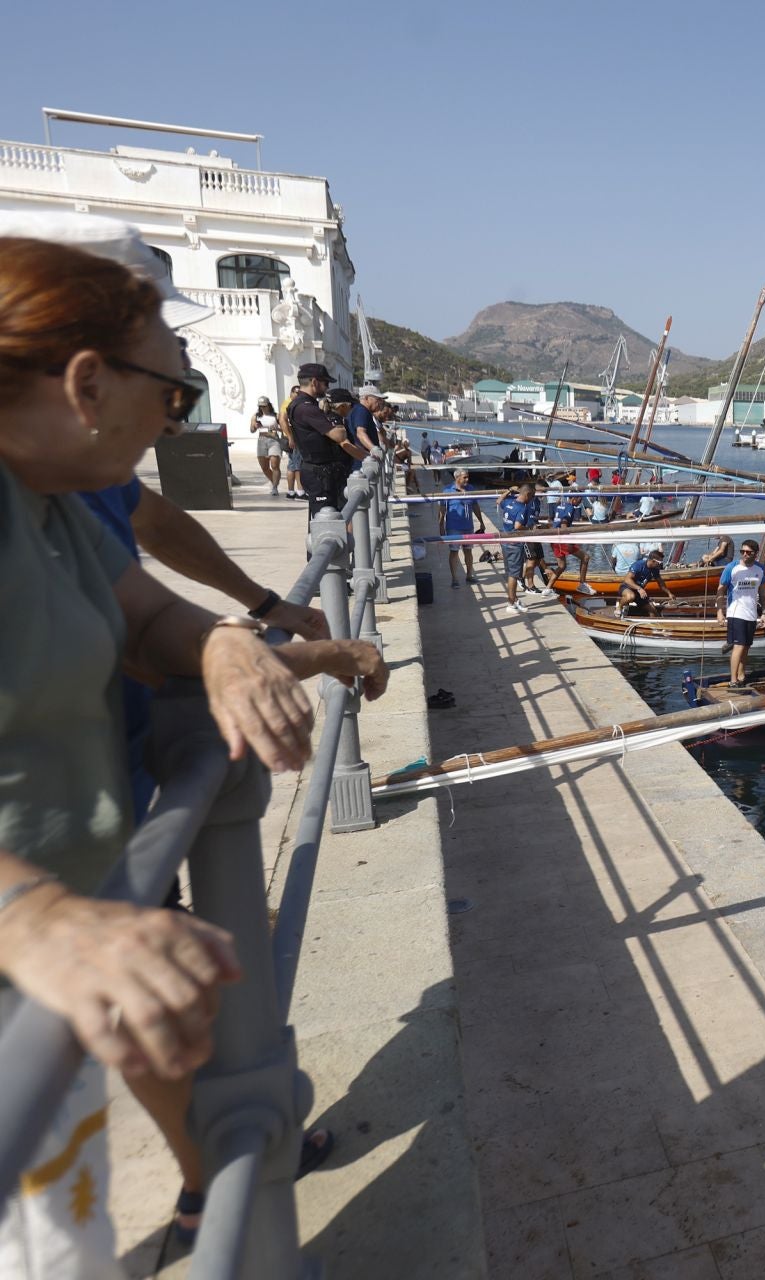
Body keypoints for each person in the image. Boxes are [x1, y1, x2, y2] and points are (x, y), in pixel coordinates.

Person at [0, 233, 386, 1272]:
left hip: (72, 941)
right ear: (88, 383)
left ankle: (214, 1184)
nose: (180, 418)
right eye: (175, 394)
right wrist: (27, 913)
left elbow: (144, 606)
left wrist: (224, 641)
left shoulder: (48, 499)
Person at [286, 364, 364, 516]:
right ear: (314, 382)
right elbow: (339, 436)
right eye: (325, 383)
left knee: (326, 516)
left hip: (319, 471)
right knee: (324, 517)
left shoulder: (306, 405)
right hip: (319, 473)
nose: (327, 387)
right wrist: (340, 427)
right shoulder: (306, 408)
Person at [716, 539, 765, 689]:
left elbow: (762, 592)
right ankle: (733, 680)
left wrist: (763, 613)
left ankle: (742, 675)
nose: (744, 554)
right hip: (736, 612)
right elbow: (721, 590)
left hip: (751, 613)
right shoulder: (732, 568)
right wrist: (719, 612)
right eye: (742, 551)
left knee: (746, 646)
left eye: (748, 552)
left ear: (755, 554)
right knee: (739, 646)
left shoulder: (760, 569)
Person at [495, 482, 550, 613]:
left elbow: (499, 500)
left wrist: (509, 490)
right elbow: (518, 526)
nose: (532, 499)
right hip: (515, 543)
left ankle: (514, 599)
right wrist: (530, 528)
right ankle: (511, 604)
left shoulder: (509, 502)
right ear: (528, 494)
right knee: (514, 575)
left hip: (505, 541)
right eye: (532, 496)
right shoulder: (522, 508)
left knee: (511, 574)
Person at [440, 468, 483, 588]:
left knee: (468, 551)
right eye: (465, 477)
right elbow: (442, 510)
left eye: (468, 477)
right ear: (457, 478)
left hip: (468, 526)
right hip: (453, 527)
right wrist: (441, 525)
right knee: (454, 552)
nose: (467, 479)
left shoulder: (470, 489)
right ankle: (454, 579)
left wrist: (481, 521)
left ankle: (469, 575)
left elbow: (475, 505)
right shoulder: (447, 490)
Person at [250, 395, 284, 494]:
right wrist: (255, 426)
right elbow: (251, 430)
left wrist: (276, 428)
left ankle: (274, 487)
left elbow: (284, 428)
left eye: (264, 406)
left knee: (274, 465)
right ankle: (274, 482)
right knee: (264, 467)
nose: (262, 408)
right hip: (261, 440)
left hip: (274, 440)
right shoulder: (256, 416)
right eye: (260, 406)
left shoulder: (276, 416)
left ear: (268, 405)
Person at [619, 548, 665, 617]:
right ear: (653, 561)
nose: (660, 565)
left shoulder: (655, 570)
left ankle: (651, 626)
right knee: (630, 596)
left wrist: (669, 593)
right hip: (627, 587)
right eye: (659, 563)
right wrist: (639, 588)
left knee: (653, 612)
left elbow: (661, 583)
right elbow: (627, 579)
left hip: (639, 593)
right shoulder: (638, 565)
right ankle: (619, 607)